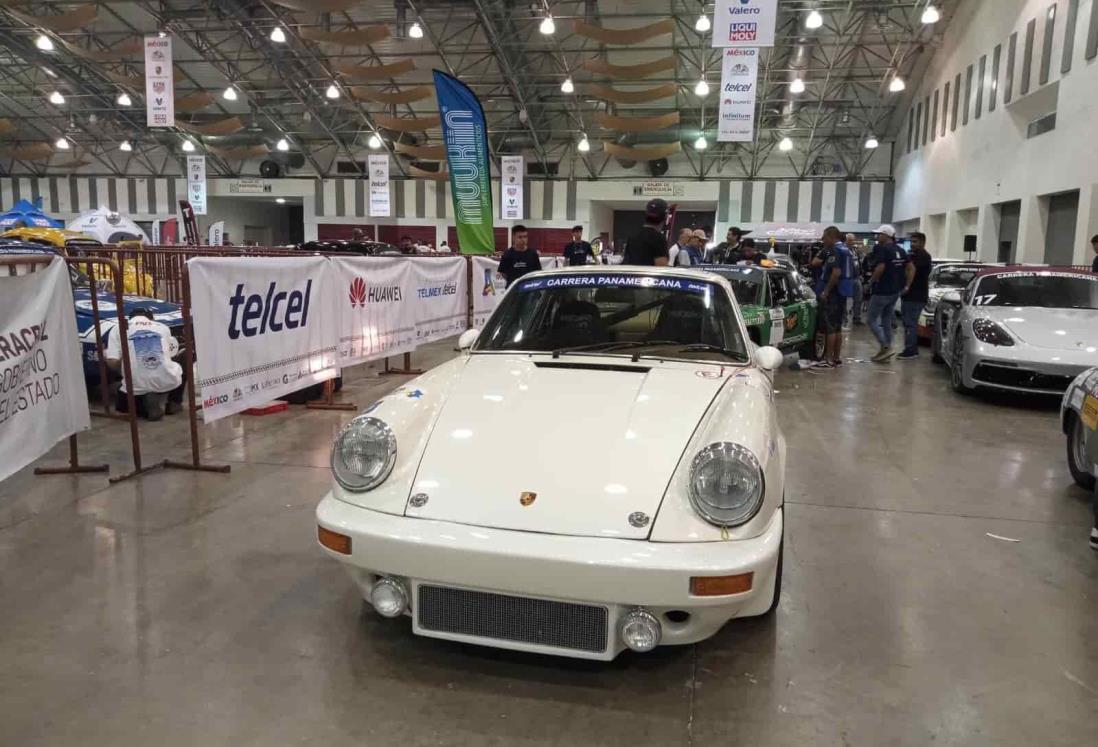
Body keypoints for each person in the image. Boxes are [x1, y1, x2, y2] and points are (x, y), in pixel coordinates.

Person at [105, 308, 184, 421]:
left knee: (124, 403)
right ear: (152, 319)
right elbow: (168, 354)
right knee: (181, 361)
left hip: (134, 386)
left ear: (130, 318)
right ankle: (174, 402)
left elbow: (113, 362)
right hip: (165, 380)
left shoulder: (118, 328)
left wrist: (105, 356)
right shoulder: (163, 327)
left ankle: (144, 407)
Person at [812, 226, 855, 368]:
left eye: (824, 237)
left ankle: (828, 358)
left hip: (834, 292)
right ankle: (836, 357)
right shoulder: (847, 250)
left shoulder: (834, 251)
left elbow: (836, 273)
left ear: (831, 236)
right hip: (843, 291)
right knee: (837, 327)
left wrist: (826, 291)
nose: (823, 241)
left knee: (830, 326)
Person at [866, 224, 908, 362]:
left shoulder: (882, 249)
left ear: (886, 235)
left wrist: (870, 282)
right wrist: (906, 285)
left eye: (879, 234)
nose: (877, 237)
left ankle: (886, 347)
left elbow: (880, 267)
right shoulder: (900, 251)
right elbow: (910, 267)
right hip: (894, 291)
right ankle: (886, 351)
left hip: (882, 290)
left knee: (871, 319)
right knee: (886, 320)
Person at [898, 232, 933, 360]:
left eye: (915, 242)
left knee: (910, 323)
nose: (912, 244)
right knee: (908, 322)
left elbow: (910, 271)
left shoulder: (923, 257)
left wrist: (906, 286)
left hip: (916, 295)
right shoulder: (913, 256)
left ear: (923, 243)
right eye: (911, 241)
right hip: (910, 295)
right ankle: (911, 348)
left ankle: (911, 350)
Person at [621, 198, 670, 266]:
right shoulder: (659, 239)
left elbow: (626, 261)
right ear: (665, 217)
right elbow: (661, 268)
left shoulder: (633, 236)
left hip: (632, 275)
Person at [845, 233, 864, 325]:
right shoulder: (843, 251)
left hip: (856, 278)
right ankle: (843, 318)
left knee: (858, 298)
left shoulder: (854, 250)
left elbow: (858, 264)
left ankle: (857, 317)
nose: (852, 242)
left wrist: (860, 274)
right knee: (843, 299)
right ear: (846, 240)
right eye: (850, 240)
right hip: (847, 279)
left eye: (853, 240)